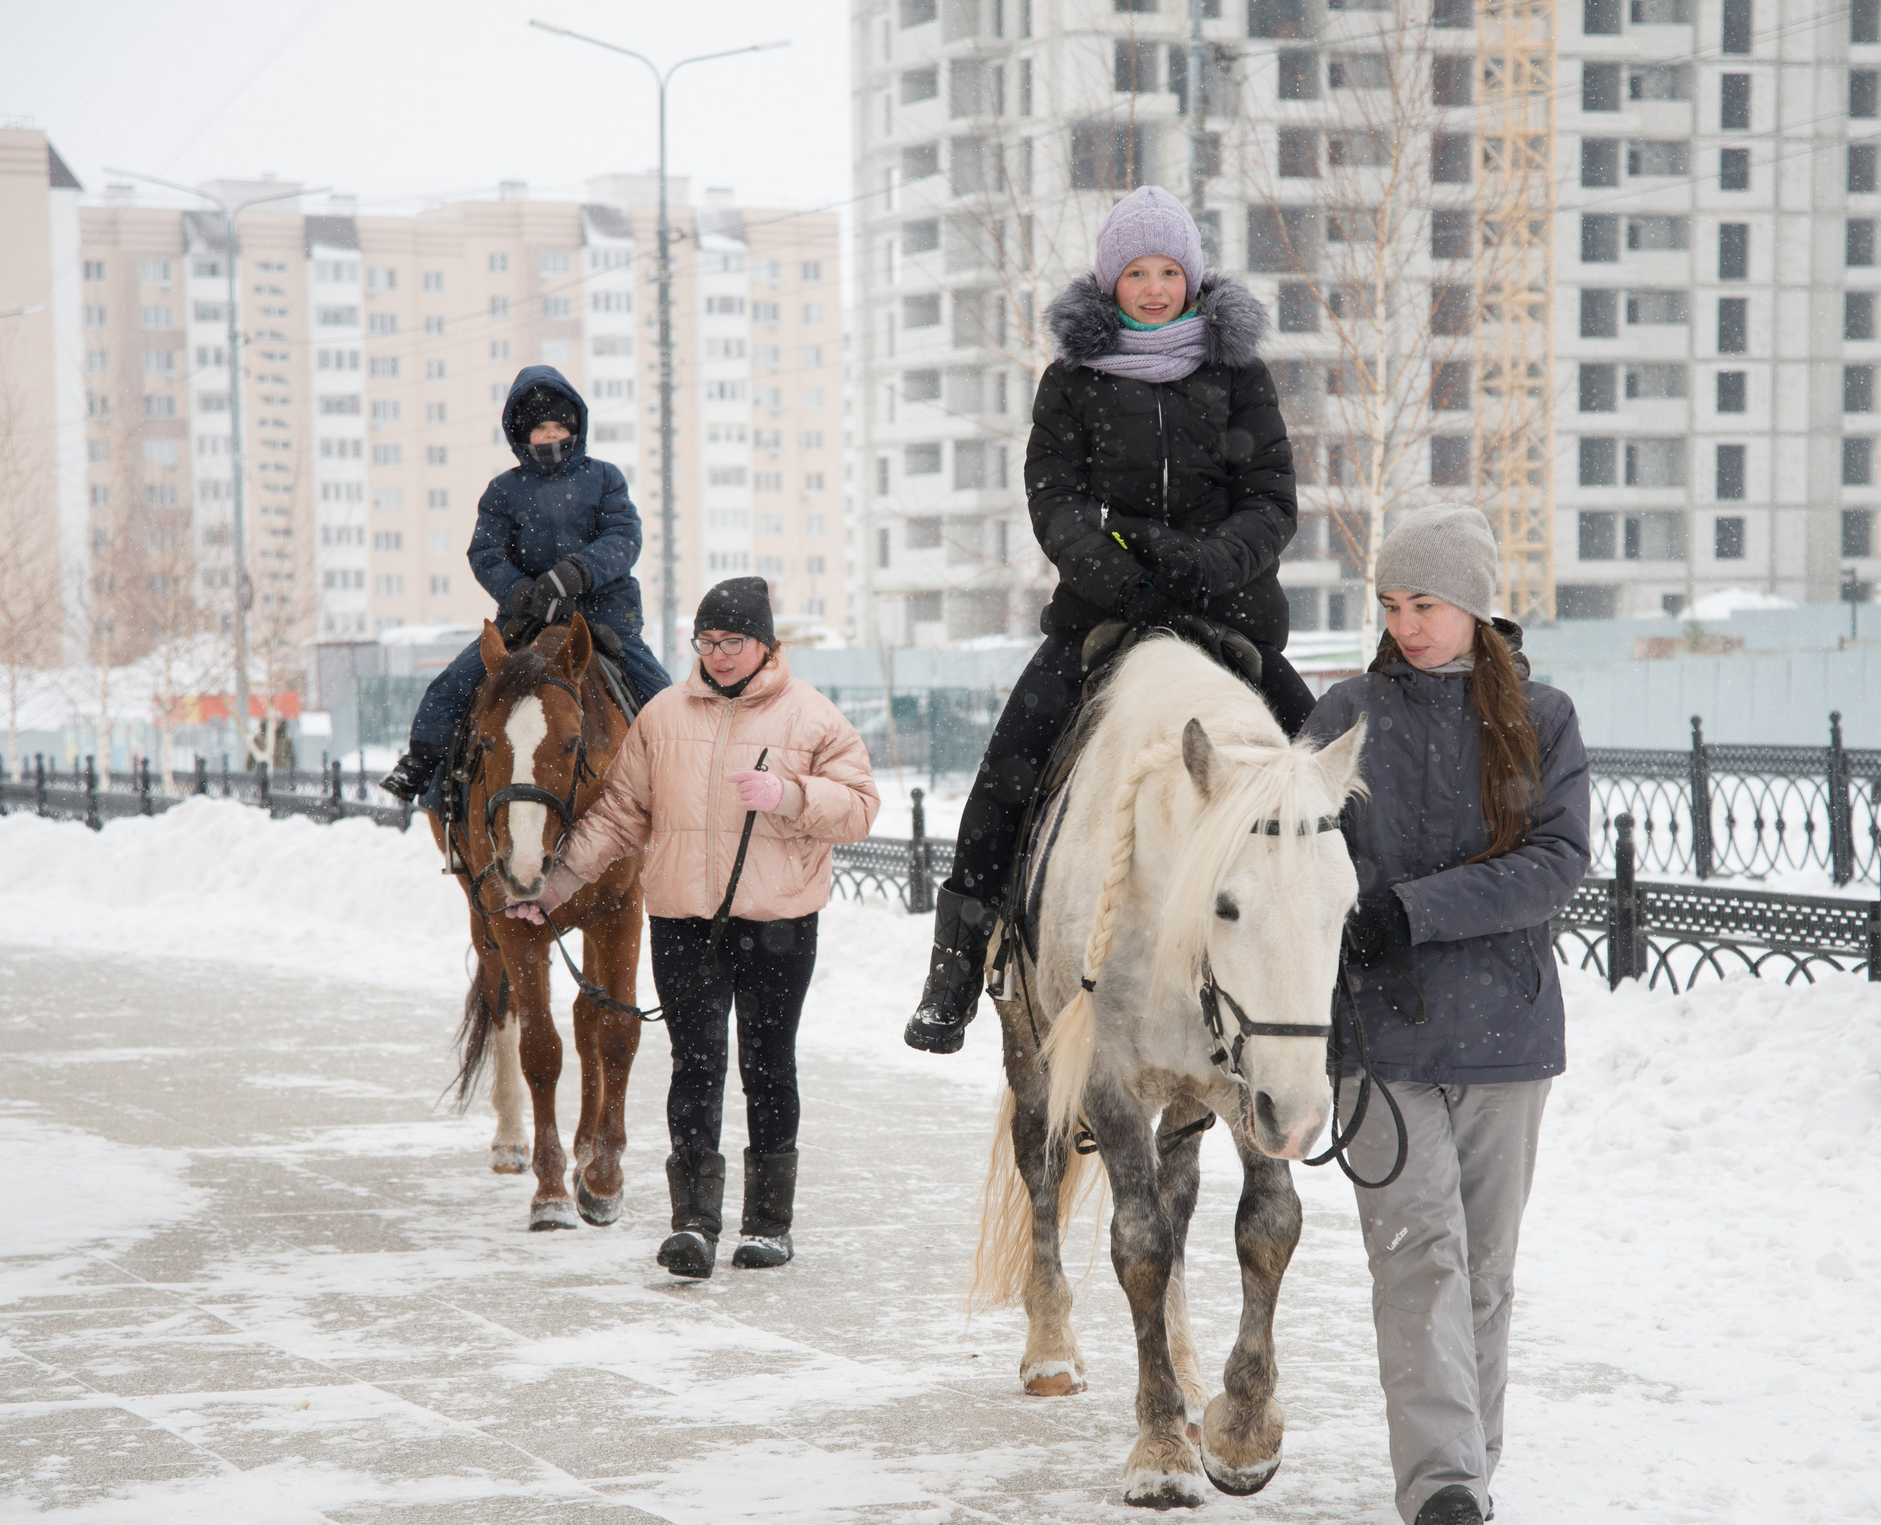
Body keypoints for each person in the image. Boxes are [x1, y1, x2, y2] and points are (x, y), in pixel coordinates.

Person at [904, 184, 1318, 1054]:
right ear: (1110, 281)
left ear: (1195, 278)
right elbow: (1055, 503)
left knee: (1320, 768)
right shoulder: (1071, 381)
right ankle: (956, 964)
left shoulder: (1238, 374)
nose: (1156, 287)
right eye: (1138, 272)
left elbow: (1273, 503)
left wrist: (1204, 569)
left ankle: (1359, 972)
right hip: (1101, 620)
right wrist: (1125, 582)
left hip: (1231, 621)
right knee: (1008, 767)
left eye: (1171, 270)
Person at [1300, 506, 1591, 1525]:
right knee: (1417, 1256)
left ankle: (1469, 1460)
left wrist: (1407, 910)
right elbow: (1286, 855)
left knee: (1483, 1271)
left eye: (1424, 602)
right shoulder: (1342, 712)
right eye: (1390, 603)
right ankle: (1440, 1487)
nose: (1406, 622)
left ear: (1473, 604)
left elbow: (1556, 862)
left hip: (1506, 1033)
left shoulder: (1542, 718)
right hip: (1378, 1040)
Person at [509, 577, 878, 1278]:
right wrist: (555, 885)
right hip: (684, 923)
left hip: (779, 923)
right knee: (696, 1067)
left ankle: (768, 1224)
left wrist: (791, 795)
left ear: (766, 643)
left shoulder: (813, 718)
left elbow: (860, 807)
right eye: (707, 642)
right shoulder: (663, 715)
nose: (719, 654)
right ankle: (694, 1224)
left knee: (768, 1068)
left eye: (732, 641)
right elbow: (620, 815)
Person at [381, 365, 673, 804]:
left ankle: (687, 770)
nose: (552, 436)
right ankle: (424, 769)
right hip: (525, 620)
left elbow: (624, 539)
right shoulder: (502, 491)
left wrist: (574, 574)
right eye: (541, 429)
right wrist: (523, 594)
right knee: (451, 686)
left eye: (560, 426)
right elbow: (485, 555)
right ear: (521, 435)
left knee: (661, 695)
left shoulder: (606, 478)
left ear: (576, 427)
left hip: (604, 619)